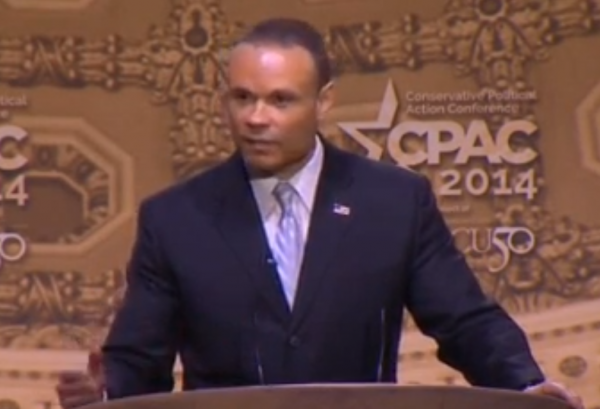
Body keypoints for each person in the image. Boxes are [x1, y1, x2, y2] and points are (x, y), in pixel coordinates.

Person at [56, 17, 584, 409]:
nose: (256, 118)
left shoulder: (394, 202)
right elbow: (139, 359)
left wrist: (525, 385)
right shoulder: (176, 219)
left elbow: (465, 321)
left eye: (280, 100)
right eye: (242, 98)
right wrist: (106, 391)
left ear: (324, 102)